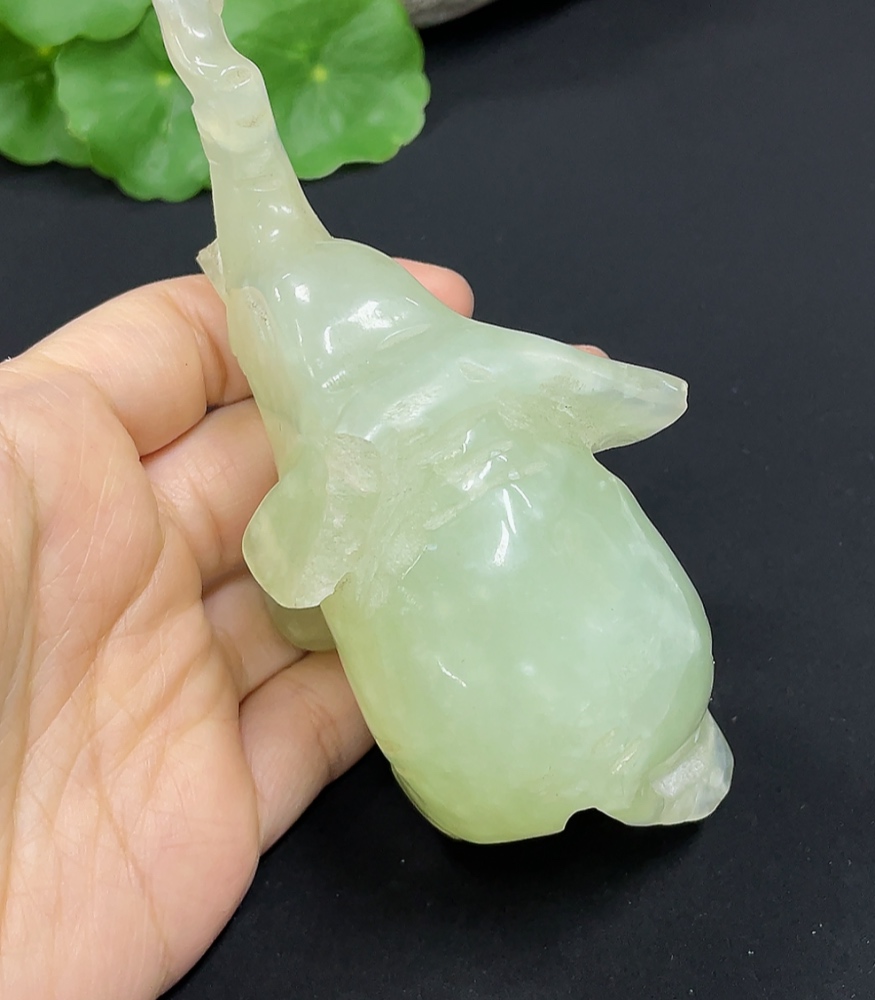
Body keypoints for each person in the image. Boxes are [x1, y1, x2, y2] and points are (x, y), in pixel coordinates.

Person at [0, 263, 604, 999]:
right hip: (486, 742)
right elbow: (289, 598)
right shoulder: (343, 456)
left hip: (502, 726)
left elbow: (290, 599)